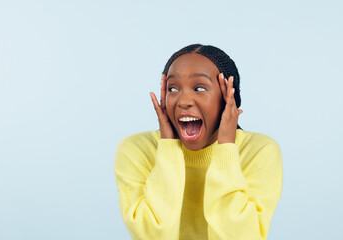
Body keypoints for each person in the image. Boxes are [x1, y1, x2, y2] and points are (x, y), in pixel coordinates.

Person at [114, 44, 282, 240]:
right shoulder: (136, 150)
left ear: (228, 97)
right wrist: (167, 148)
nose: (184, 101)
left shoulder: (258, 151)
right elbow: (153, 235)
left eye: (199, 88)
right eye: (173, 88)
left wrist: (226, 147)